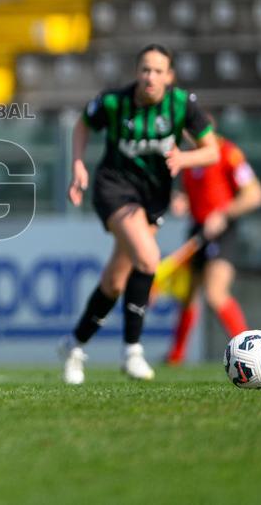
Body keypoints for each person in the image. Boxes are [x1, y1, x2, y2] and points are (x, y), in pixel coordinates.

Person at [61, 43, 219, 385]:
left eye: (158, 71)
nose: (150, 76)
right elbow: (81, 125)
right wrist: (78, 165)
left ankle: (74, 345)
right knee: (148, 258)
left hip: (153, 198)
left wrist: (184, 159)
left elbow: (212, 151)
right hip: (114, 189)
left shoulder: (180, 105)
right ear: (137, 72)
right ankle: (132, 350)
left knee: (116, 280)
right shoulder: (115, 102)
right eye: (145, 69)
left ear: (169, 76)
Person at [165, 122, 261, 364]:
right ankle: (176, 357)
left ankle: (248, 352)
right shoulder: (189, 161)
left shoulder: (228, 153)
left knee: (215, 292)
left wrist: (223, 214)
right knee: (188, 295)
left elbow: (255, 195)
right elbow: (195, 196)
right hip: (198, 230)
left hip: (223, 230)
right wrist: (183, 202)